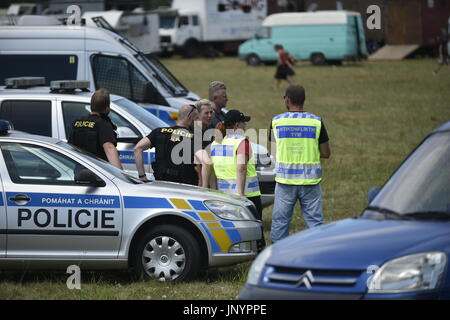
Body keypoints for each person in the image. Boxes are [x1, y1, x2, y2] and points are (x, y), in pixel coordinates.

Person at [269, 84, 331, 243]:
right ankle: (317, 255)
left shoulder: (276, 121)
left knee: (280, 223)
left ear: (287, 99)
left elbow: (273, 153)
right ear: (304, 100)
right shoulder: (316, 122)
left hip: (285, 181)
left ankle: (277, 257)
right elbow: (326, 153)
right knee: (315, 224)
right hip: (310, 181)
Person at [134, 104, 209, 187]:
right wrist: (204, 189)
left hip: (160, 186)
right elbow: (205, 161)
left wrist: (142, 176)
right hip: (185, 188)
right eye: (196, 118)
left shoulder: (159, 132)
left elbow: (138, 148)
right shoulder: (195, 137)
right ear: (190, 117)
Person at [69, 88, 123, 169]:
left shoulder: (77, 123)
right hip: (99, 172)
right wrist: (121, 175)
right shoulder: (103, 124)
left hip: (79, 170)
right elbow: (109, 147)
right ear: (107, 108)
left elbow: (70, 146)